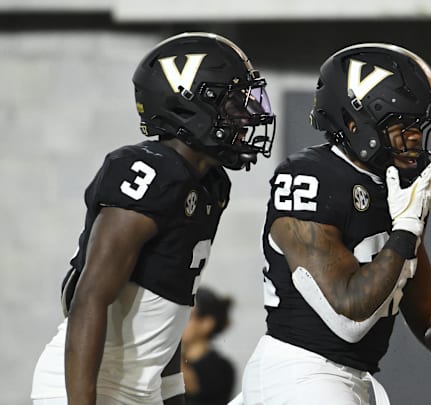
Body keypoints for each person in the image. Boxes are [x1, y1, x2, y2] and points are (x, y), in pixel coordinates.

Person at [235, 43, 431, 405]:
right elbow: (348, 310)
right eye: (402, 123)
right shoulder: (310, 176)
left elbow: (428, 313)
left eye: (419, 125)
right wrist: (406, 227)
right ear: (354, 123)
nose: (415, 136)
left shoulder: (396, 186)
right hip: (301, 371)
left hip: (353, 378)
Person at [31, 32, 275, 405]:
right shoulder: (147, 171)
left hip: (140, 390)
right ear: (188, 107)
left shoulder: (210, 184)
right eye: (230, 104)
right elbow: (90, 299)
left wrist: (173, 394)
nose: (246, 117)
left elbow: (171, 309)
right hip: (92, 384)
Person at [181, 287, 235, 405]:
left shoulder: (220, 367)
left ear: (207, 323)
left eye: (188, 315)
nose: (180, 321)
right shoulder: (182, 361)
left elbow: (189, 383)